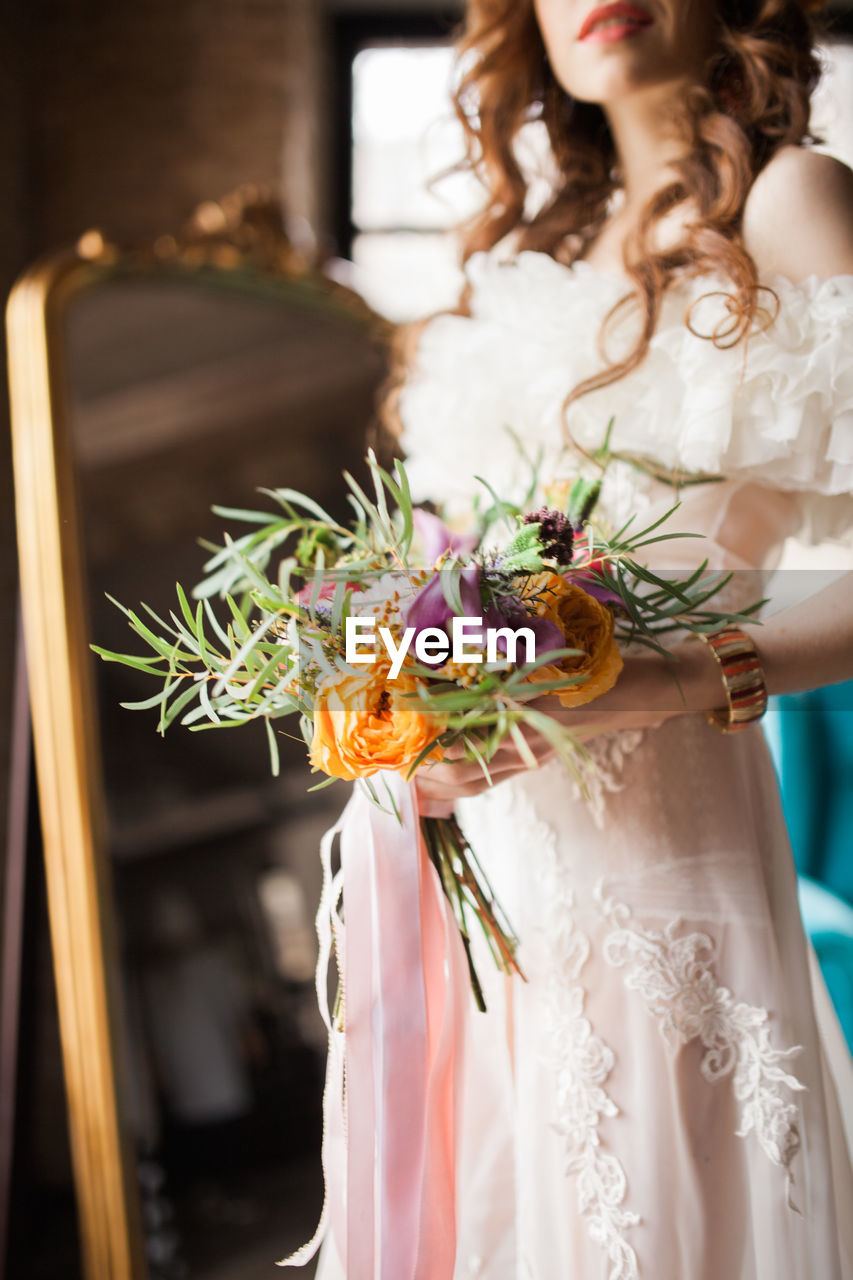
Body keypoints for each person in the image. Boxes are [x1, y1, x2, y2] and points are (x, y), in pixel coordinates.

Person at [317, 0, 853, 1275]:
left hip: (668, 885)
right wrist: (411, 707)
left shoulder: (788, 205)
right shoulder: (534, 256)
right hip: (495, 900)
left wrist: (659, 680)